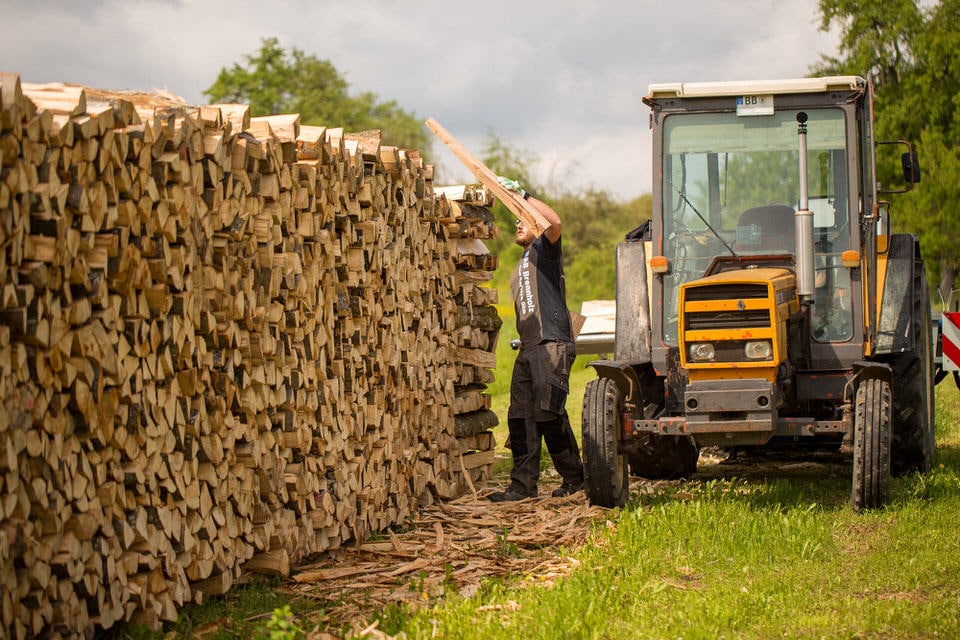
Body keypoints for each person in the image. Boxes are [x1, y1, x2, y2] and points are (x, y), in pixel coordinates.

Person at [488, 177, 585, 502]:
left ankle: (575, 479)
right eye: (516, 219)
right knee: (520, 416)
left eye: (523, 220)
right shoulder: (521, 264)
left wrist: (522, 194)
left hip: (552, 343)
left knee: (548, 413)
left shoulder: (546, 251)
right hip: (529, 348)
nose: (518, 224)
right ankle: (521, 486)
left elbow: (554, 222)